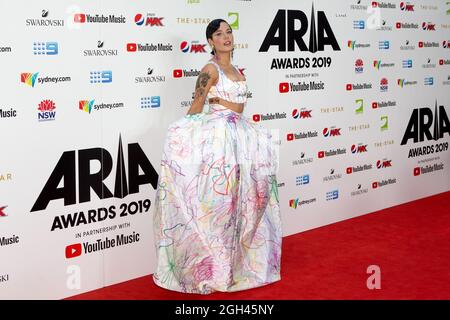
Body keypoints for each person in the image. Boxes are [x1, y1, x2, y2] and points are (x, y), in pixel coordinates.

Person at [152, 19, 282, 294]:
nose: (225, 37)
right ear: (210, 41)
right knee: (220, 203)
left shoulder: (235, 69)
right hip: (219, 140)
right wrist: (181, 137)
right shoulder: (209, 70)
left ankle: (235, 265)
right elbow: (198, 105)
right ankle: (214, 268)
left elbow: (240, 107)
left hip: (240, 138)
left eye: (228, 32)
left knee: (242, 203)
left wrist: (227, 110)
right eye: (218, 34)